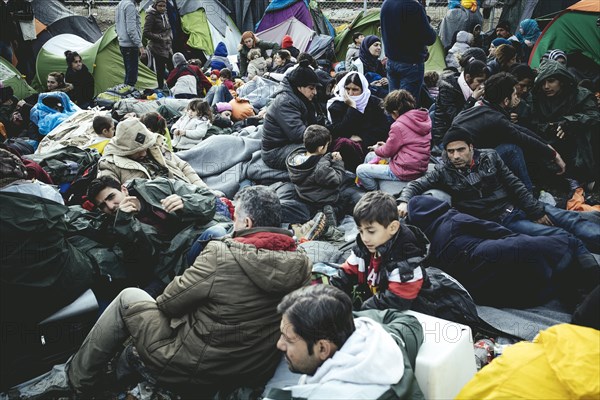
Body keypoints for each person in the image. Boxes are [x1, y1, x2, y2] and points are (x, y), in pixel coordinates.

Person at [34, 185, 311, 397]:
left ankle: (77, 380)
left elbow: (168, 304)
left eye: (236, 218)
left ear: (248, 224)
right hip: (251, 364)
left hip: (197, 364)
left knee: (129, 298)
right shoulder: (301, 262)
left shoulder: (222, 254)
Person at [396, 129, 600, 258]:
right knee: (558, 234)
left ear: (471, 147)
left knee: (572, 220)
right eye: (451, 152)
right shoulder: (443, 171)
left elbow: (514, 183)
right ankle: (586, 260)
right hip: (502, 219)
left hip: (520, 206)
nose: (456, 156)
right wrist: (404, 201)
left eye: (460, 150)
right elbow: (415, 185)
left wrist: (535, 210)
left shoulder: (490, 157)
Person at [407, 195, 592, 308]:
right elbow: (498, 231)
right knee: (568, 240)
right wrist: (524, 244)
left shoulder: (429, 248)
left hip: (498, 294)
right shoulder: (454, 219)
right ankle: (592, 276)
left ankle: (580, 294)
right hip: (502, 251)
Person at [265, 284, 424, 400]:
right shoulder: (383, 340)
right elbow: (409, 322)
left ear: (322, 348)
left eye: (289, 340)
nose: (280, 344)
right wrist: (335, 319)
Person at [450, 72, 566, 191]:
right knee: (512, 149)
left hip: (459, 161)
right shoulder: (495, 118)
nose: (517, 97)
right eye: (514, 94)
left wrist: (549, 147)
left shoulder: (481, 107)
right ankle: (528, 193)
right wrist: (554, 155)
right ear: (506, 100)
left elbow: (519, 130)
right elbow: (521, 137)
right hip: (468, 173)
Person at [331, 190, 429, 310]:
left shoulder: (407, 261)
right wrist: (330, 294)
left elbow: (396, 301)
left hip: (408, 312)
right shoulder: (363, 247)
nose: (365, 238)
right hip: (375, 299)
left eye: (371, 231)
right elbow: (345, 274)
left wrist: (358, 313)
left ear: (393, 227)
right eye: (361, 231)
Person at [530, 59, 599, 187]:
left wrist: (569, 122)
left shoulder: (580, 95)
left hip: (576, 140)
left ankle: (584, 174)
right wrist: (550, 127)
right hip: (549, 141)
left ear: (561, 81)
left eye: (551, 81)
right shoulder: (537, 97)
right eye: (543, 82)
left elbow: (594, 116)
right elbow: (532, 122)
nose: (546, 86)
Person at [98, 117, 206, 187]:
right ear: (124, 150)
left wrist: (203, 190)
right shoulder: (109, 165)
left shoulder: (155, 145)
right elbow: (111, 195)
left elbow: (183, 166)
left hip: (190, 194)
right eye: (137, 151)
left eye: (145, 148)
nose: (144, 154)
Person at [356, 89, 431, 190]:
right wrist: (385, 145)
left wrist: (376, 148)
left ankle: (375, 191)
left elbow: (387, 152)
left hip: (404, 170)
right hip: (418, 167)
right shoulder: (422, 119)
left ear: (395, 112)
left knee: (361, 170)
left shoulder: (398, 126)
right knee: (370, 156)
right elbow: (407, 143)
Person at [262, 60, 323, 170]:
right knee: (318, 153)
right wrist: (325, 138)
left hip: (289, 144)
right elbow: (298, 134)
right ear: (299, 87)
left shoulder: (301, 98)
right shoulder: (286, 102)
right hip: (275, 153)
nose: (315, 92)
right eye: (311, 88)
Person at [326, 71, 390, 172]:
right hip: (348, 148)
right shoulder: (337, 105)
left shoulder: (374, 103)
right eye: (347, 89)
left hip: (369, 144)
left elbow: (383, 128)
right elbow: (339, 130)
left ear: (363, 89)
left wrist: (362, 137)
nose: (350, 93)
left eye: (355, 89)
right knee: (345, 143)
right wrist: (352, 107)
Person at [381, 0, 436, 101]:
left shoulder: (387, 3)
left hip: (391, 61)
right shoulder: (413, 6)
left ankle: (392, 117)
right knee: (406, 105)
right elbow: (430, 38)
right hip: (410, 64)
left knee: (392, 103)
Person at [286, 125, 345, 218]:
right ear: (321, 148)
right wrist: (338, 163)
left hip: (304, 195)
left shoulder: (295, 157)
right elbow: (336, 180)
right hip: (322, 198)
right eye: (327, 145)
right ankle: (329, 212)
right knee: (344, 202)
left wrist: (328, 156)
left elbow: (315, 159)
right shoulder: (321, 169)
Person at [432, 59, 488, 150]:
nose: (482, 86)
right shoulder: (448, 89)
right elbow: (456, 119)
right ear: (468, 77)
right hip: (447, 138)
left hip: (467, 134)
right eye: (479, 81)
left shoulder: (471, 88)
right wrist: (472, 99)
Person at [143, 0, 174, 90]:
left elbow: (167, 28)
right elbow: (146, 32)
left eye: (164, 6)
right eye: (160, 6)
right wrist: (159, 37)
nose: (162, 8)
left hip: (167, 46)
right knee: (160, 69)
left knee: (172, 66)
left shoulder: (165, 14)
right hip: (157, 47)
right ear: (155, 5)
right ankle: (161, 87)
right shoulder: (151, 16)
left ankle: (171, 86)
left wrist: (169, 37)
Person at [115, 0, 144, 87]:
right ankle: (128, 97)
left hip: (123, 44)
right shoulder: (130, 6)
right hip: (131, 45)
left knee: (128, 73)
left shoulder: (121, 3)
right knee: (132, 77)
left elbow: (116, 24)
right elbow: (131, 29)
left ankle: (125, 95)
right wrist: (140, 45)